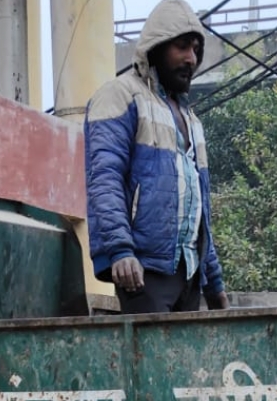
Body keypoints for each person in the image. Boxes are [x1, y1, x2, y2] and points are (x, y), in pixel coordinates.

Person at [84, 0, 228, 314]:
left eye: (195, 50)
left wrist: (214, 282)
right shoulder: (120, 96)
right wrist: (120, 250)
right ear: (156, 48)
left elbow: (200, 210)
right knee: (151, 348)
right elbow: (104, 179)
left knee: (187, 350)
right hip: (142, 270)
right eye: (181, 47)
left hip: (189, 273)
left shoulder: (192, 120)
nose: (191, 58)